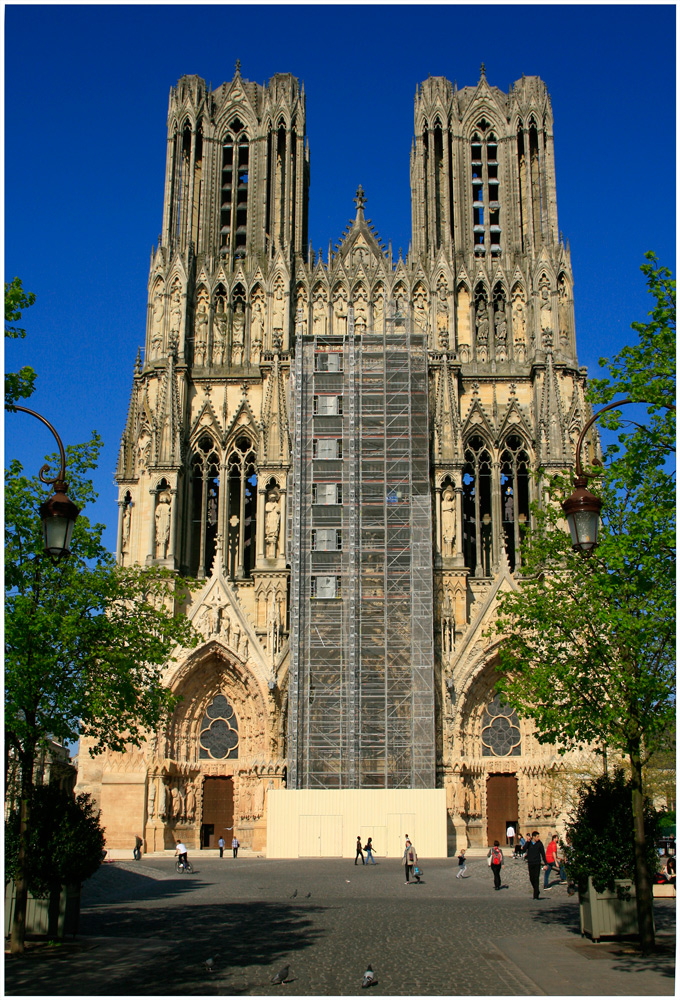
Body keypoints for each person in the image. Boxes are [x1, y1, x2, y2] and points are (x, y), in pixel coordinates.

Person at [525, 831, 547, 899]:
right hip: (530, 863)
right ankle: (536, 890)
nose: (538, 838)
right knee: (531, 878)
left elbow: (543, 854)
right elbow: (524, 849)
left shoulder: (540, 844)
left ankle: (536, 894)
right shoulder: (529, 843)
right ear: (533, 837)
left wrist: (545, 864)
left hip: (537, 863)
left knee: (536, 878)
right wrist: (527, 842)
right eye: (537, 836)